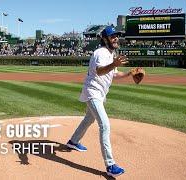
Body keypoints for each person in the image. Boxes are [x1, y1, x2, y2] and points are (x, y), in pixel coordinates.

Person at [66, 26, 131, 177]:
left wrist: (129, 73)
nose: (115, 38)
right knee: (105, 125)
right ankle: (110, 165)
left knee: (89, 119)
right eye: (112, 36)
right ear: (104, 39)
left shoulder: (110, 53)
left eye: (116, 36)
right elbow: (100, 71)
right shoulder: (100, 53)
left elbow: (113, 74)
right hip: (92, 92)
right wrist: (114, 64)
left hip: (99, 93)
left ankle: (73, 141)